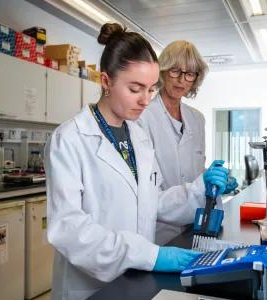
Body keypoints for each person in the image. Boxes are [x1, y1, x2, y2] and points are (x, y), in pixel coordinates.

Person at [45, 23, 231, 300]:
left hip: (136, 276)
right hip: (91, 285)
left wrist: (198, 189)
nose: (145, 101)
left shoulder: (138, 137)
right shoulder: (70, 139)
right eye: (135, 89)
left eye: (151, 90)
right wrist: (150, 255)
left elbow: (153, 202)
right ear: (106, 82)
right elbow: (69, 229)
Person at [137, 40, 238, 245]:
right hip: (159, 231)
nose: (181, 79)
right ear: (163, 71)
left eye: (189, 74)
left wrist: (215, 185)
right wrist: (201, 186)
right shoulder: (142, 117)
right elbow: (147, 191)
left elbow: (197, 174)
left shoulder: (197, 119)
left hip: (196, 224)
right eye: (175, 70)